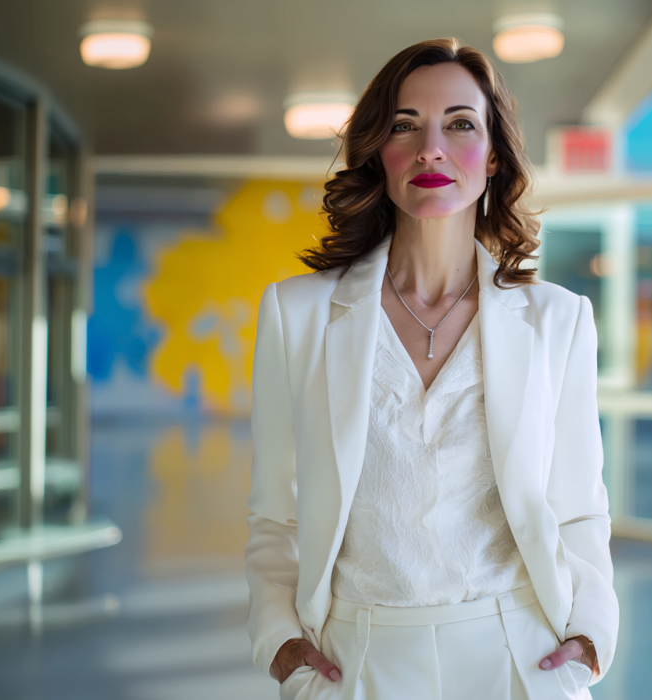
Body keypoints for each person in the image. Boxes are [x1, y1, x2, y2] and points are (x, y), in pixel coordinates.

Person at [245, 39, 617, 700]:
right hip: (356, 658)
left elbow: (579, 509)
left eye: (460, 124)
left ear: (494, 155)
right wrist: (281, 644)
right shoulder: (295, 314)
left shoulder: (559, 320)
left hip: (519, 657)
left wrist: (589, 638)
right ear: (378, 153)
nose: (431, 149)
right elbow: (277, 513)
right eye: (405, 126)